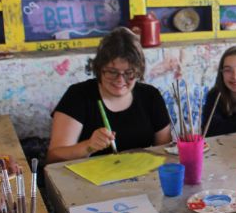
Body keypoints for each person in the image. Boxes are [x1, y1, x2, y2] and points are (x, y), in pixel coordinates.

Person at [47, 27, 172, 163]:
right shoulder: (78, 95)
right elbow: (53, 158)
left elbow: (164, 151)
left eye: (129, 73)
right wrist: (88, 146)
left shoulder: (150, 96)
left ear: (139, 71)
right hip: (87, 180)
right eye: (112, 72)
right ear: (99, 68)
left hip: (141, 178)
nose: (120, 79)